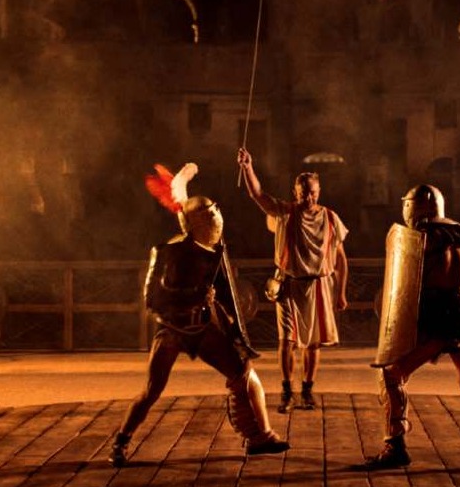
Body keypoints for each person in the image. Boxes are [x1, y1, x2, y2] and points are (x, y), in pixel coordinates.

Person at [109, 173, 290, 467]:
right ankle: (121, 441)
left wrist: (231, 326)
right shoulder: (168, 252)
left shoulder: (216, 252)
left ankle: (259, 435)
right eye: (207, 213)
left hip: (204, 327)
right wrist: (195, 295)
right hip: (172, 329)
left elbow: (226, 294)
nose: (215, 216)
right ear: (194, 222)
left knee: (244, 373)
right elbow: (152, 299)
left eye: (215, 210)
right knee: (151, 391)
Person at [362, 184, 460, 470]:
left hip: (440, 317)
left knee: (392, 375)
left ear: (416, 207)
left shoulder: (418, 237)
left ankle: (395, 446)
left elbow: (409, 284)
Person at [237, 147, 349, 413]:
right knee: (286, 340)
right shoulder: (284, 213)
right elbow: (257, 195)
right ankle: (287, 391)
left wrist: (341, 292)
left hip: (319, 284)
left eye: (312, 192)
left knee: (313, 343)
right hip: (288, 283)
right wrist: (247, 167)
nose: (308, 197)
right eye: (303, 193)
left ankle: (307, 391)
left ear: (318, 191)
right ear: (295, 193)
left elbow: (341, 258)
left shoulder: (331, 218)